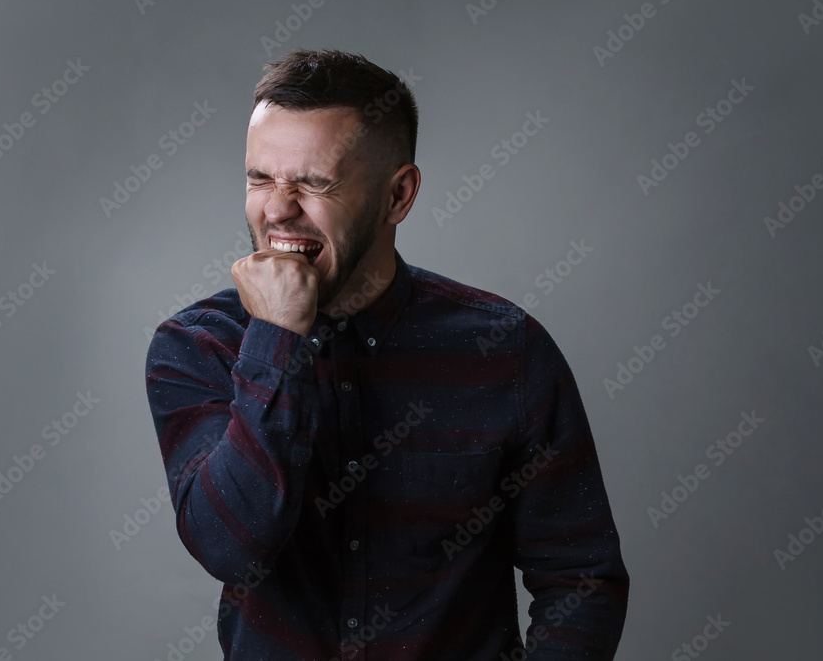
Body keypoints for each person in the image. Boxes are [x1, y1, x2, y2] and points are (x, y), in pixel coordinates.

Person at [145, 48, 629, 660]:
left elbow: (580, 577)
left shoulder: (506, 349)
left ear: (398, 195)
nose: (278, 208)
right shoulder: (199, 345)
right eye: (260, 178)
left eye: (314, 183)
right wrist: (278, 339)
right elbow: (232, 547)